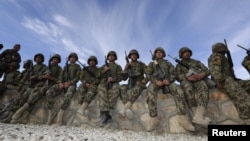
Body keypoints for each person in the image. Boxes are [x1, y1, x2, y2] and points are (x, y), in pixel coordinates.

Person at [145, 47, 195, 131]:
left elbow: (174, 73)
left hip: (168, 81)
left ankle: (183, 119)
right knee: (150, 93)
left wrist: (169, 80)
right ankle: (153, 119)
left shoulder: (168, 63)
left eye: (161, 52)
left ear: (163, 54)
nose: (159, 53)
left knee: (179, 91)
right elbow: (148, 74)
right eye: (157, 52)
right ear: (155, 54)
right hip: (156, 82)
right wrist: (156, 81)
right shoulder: (151, 64)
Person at [208, 42, 250, 119]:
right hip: (225, 80)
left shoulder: (223, 57)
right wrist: (218, 81)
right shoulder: (216, 56)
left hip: (232, 79)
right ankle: (246, 116)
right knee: (241, 96)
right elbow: (214, 69)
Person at [175, 47, 211, 126]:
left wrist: (203, 74)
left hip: (198, 79)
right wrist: (187, 77)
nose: (187, 53)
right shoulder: (179, 65)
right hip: (187, 81)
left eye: (188, 52)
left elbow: (207, 70)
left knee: (203, 86)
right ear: (181, 54)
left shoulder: (196, 62)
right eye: (184, 52)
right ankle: (195, 114)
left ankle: (199, 114)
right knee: (188, 89)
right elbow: (177, 77)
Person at [45, 52, 81, 125]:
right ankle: (52, 111)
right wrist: (60, 83)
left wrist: (70, 83)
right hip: (62, 84)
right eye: (71, 57)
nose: (72, 58)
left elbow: (77, 77)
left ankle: (60, 114)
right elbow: (60, 76)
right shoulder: (65, 67)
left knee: (69, 94)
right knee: (49, 92)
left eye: (74, 57)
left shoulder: (78, 67)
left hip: (71, 85)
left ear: (76, 59)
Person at [11, 53, 47, 123]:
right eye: (37, 58)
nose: (38, 59)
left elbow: (44, 76)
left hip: (37, 85)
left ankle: (23, 117)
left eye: (39, 58)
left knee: (32, 99)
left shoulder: (44, 67)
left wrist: (35, 77)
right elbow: (25, 77)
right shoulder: (32, 67)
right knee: (21, 98)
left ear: (42, 59)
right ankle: (11, 115)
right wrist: (20, 86)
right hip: (28, 86)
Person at [119, 49, 148, 118]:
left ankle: (124, 108)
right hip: (130, 83)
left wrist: (142, 82)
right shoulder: (128, 65)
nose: (134, 56)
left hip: (139, 83)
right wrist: (125, 69)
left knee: (137, 88)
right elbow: (124, 78)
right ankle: (127, 107)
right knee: (121, 88)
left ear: (137, 56)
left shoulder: (141, 64)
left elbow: (149, 74)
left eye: (135, 55)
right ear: (130, 57)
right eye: (132, 55)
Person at [97, 51, 122, 127]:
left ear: (115, 57)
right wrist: (105, 70)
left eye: (112, 56)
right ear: (107, 57)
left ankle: (107, 113)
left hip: (114, 82)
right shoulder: (103, 66)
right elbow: (97, 75)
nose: (111, 57)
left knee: (116, 89)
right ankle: (105, 113)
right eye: (109, 56)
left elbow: (121, 77)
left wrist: (113, 79)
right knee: (101, 89)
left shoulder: (118, 67)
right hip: (104, 82)